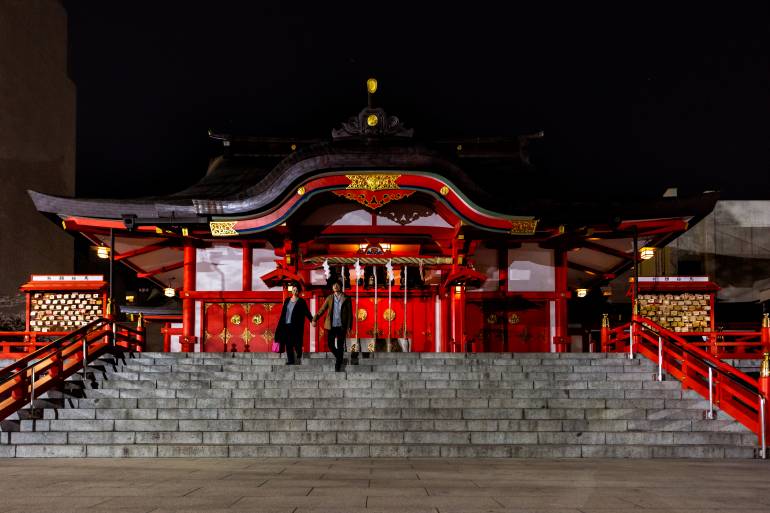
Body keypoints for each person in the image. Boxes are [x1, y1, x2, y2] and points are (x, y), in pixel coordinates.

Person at [312, 281, 353, 372]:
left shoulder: (346, 298)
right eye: (334, 285)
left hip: (341, 326)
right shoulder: (329, 298)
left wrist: (349, 326)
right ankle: (339, 357)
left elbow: (350, 314)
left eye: (337, 285)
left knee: (340, 345)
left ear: (340, 286)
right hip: (331, 325)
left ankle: (338, 365)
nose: (335, 286)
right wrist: (315, 319)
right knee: (330, 345)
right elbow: (322, 310)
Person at [275, 284, 312, 365]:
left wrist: (312, 320)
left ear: (299, 292)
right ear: (292, 291)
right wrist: (280, 324)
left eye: (297, 290)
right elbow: (283, 313)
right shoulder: (287, 300)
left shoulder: (301, 301)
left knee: (297, 341)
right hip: (286, 325)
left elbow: (306, 312)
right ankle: (290, 360)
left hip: (296, 325)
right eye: (294, 290)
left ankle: (299, 351)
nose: (295, 291)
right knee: (288, 344)